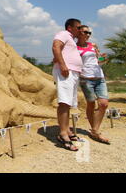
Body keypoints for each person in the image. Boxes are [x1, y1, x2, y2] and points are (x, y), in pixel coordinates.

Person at [52, 18, 83, 151]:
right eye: (78, 27)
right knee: (64, 102)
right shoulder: (63, 34)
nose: (80, 30)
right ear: (70, 27)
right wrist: (63, 65)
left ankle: (68, 130)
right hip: (66, 71)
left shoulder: (71, 39)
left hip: (72, 72)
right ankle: (63, 134)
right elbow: (55, 47)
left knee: (68, 103)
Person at [77, 25, 110, 144]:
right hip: (85, 79)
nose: (88, 34)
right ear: (79, 32)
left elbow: (99, 61)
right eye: (86, 32)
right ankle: (95, 131)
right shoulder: (75, 48)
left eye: (89, 32)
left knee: (104, 104)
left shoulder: (93, 45)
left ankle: (95, 130)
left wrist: (104, 59)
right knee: (91, 104)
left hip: (99, 77)